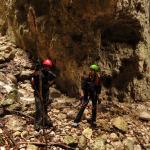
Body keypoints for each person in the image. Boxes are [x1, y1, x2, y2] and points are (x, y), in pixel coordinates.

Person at [31, 58, 56, 131]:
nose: (47, 68)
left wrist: (49, 84)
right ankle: (37, 124)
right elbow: (33, 76)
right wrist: (36, 69)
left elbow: (54, 77)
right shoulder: (39, 72)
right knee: (39, 108)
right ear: (43, 66)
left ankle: (45, 121)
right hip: (38, 92)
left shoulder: (50, 74)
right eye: (45, 66)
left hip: (45, 92)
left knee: (45, 107)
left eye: (48, 67)